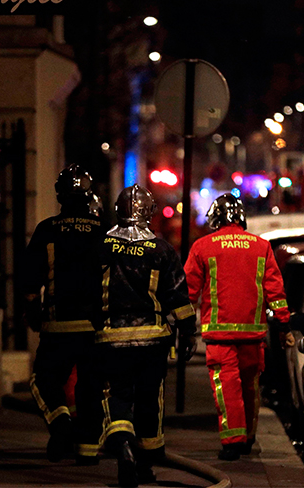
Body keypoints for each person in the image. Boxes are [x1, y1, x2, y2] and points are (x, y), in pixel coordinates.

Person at [94, 184, 197, 487]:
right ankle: (144, 464)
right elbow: (177, 296)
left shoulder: (101, 246)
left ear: (118, 209)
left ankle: (123, 447)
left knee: (117, 395)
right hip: (153, 341)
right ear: (149, 212)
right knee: (149, 399)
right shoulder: (162, 250)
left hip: (111, 338)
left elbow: (86, 290)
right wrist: (188, 332)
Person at [184, 193, 293, 461]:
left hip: (219, 334)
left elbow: (189, 291)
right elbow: (275, 290)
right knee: (250, 387)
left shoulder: (202, 247)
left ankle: (233, 441)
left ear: (215, 219)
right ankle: (249, 436)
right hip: (253, 334)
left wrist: (184, 328)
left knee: (227, 388)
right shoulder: (261, 246)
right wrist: (284, 325)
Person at [23, 164, 106, 464]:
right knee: (91, 388)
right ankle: (87, 452)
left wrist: (33, 312)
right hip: (95, 327)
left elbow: (30, 278)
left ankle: (60, 422)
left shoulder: (47, 229)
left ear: (59, 194)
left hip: (57, 326)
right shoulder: (102, 231)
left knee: (43, 379)